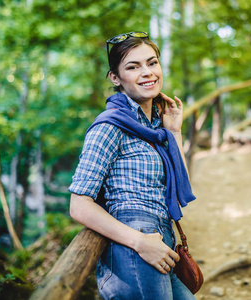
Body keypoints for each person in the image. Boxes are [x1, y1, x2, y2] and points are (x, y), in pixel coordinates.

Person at [68, 31, 197, 299]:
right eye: (133, 66)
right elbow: (78, 205)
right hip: (133, 246)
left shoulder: (152, 127)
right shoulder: (109, 126)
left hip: (160, 241)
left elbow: (178, 180)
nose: (147, 72)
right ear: (115, 78)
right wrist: (140, 242)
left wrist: (174, 132)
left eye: (152, 63)